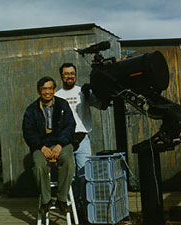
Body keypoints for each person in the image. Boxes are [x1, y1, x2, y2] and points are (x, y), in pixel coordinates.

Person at [55, 63, 104, 221]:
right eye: (66, 73)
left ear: (75, 75)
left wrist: (92, 93)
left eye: (72, 73)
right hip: (66, 140)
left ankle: (86, 213)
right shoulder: (57, 95)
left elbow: (101, 105)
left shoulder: (83, 92)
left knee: (85, 176)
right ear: (61, 76)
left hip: (82, 139)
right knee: (71, 178)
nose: (69, 76)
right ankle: (75, 211)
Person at [22, 76, 76, 215]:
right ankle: (46, 201)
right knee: (39, 166)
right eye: (44, 89)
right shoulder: (31, 109)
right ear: (39, 91)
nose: (47, 92)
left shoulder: (62, 105)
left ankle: (61, 199)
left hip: (61, 143)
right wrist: (41, 147)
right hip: (42, 145)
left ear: (54, 89)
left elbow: (70, 126)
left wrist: (60, 144)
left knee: (69, 163)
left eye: (50, 88)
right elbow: (28, 131)